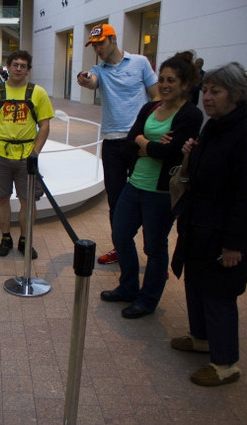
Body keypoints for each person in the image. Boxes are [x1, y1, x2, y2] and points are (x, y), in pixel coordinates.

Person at [100, 54, 203, 319]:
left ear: (184, 84)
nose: (165, 85)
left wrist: (143, 143)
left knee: (154, 248)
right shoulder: (149, 109)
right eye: (162, 79)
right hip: (135, 185)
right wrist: (150, 145)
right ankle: (128, 286)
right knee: (121, 235)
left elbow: (171, 155)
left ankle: (147, 300)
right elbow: (128, 143)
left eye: (172, 80)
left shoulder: (191, 114)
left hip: (161, 193)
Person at [170, 62, 247, 386]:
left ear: (236, 93)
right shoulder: (214, 126)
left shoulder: (242, 133)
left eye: (216, 91)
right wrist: (190, 154)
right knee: (196, 283)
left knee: (218, 294)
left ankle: (225, 364)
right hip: (199, 226)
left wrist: (234, 244)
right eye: (205, 90)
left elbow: (244, 196)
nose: (207, 97)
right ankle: (201, 338)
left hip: (222, 231)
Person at [78, 24, 159, 265]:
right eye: (94, 45)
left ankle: (154, 256)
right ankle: (120, 247)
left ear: (113, 39)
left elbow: (155, 96)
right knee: (115, 200)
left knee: (145, 198)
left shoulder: (140, 62)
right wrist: (84, 79)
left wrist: (152, 130)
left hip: (138, 141)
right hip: (112, 143)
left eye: (101, 43)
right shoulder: (98, 70)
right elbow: (91, 81)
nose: (98, 48)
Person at [0, 50, 54, 258]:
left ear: (28, 70)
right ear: (8, 67)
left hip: (26, 157)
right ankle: (5, 237)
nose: (18, 68)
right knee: (1, 197)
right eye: (15, 64)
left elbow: (45, 125)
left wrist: (35, 153)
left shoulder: (38, 93)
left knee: (27, 200)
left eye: (23, 65)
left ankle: (25, 239)